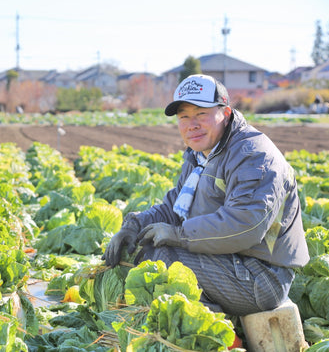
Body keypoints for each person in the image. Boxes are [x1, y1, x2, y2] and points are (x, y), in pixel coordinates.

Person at [102, 74, 309, 316]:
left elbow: (246, 225)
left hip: (261, 276)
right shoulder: (201, 155)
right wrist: (133, 227)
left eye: (201, 114)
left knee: (161, 258)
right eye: (184, 117)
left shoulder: (254, 156)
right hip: (228, 260)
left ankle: (216, 336)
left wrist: (179, 235)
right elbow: (173, 207)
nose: (192, 124)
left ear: (227, 113)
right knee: (136, 249)